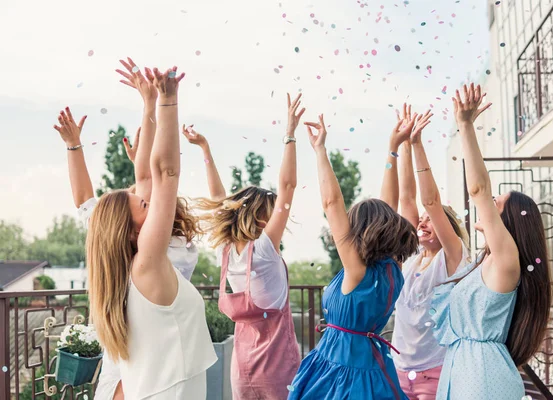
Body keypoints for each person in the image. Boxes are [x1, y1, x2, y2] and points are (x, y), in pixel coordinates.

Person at [53, 58, 204, 400]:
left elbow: (148, 178)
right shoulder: (147, 264)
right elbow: (161, 175)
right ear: (134, 233)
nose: (147, 199)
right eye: (143, 205)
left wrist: (150, 105)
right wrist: (166, 101)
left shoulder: (128, 268)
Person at [430, 83, 551, 399]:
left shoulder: (506, 258)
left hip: (482, 379)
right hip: (464, 371)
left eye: (498, 202)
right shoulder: (483, 262)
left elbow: (479, 190)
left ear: (510, 222)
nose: (489, 201)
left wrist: (466, 126)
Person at [288, 114, 419, 400]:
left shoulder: (356, 269)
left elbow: (331, 202)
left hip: (338, 374)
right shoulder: (392, 267)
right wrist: (392, 150)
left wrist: (320, 150)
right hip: (372, 368)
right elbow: (390, 206)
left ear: (359, 230)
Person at [188, 93, 304, 399]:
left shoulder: (226, 252)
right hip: (276, 369)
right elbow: (289, 186)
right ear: (262, 218)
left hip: (242, 368)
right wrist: (290, 134)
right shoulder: (265, 250)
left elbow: (218, 199)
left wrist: (205, 149)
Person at [380, 104, 471, 400]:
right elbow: (406, 196)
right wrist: (404, 140)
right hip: (398, 367)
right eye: (422, 219)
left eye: (430, 220)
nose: (422, 221)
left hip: (435, 369)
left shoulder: (452, 257)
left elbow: (430, 201)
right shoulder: (411, 256)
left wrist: (417, 146)